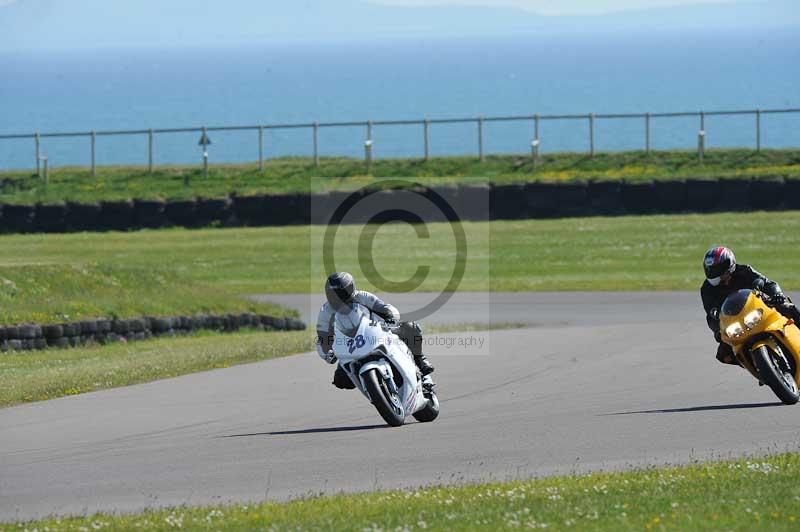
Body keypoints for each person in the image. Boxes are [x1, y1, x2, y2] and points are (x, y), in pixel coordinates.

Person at [316, 272, 434, 389]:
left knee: (410, 327)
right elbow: (322, 338)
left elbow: (386, 308)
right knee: (341, 380)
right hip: (349, 347)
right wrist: (327, 353)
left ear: (351, 290)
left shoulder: (362, 297)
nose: (337, 299)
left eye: (341, 294)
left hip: (376, 334)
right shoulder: (325, 311)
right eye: (333, 295)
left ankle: (420, 361)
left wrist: (391, 318)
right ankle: (373, 388)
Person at [701, 246, 800, 365]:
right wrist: (718, 325)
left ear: (728, 265)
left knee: (788, 307)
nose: (713, 273)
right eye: (710, 269)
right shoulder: (707, 289)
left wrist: (777, 294)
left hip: (757, 308)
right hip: (734, 322)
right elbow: (711, 311)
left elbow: (769, 283)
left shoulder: (745, 270)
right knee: (724, 354)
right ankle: (757, 365)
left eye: (716, 269)